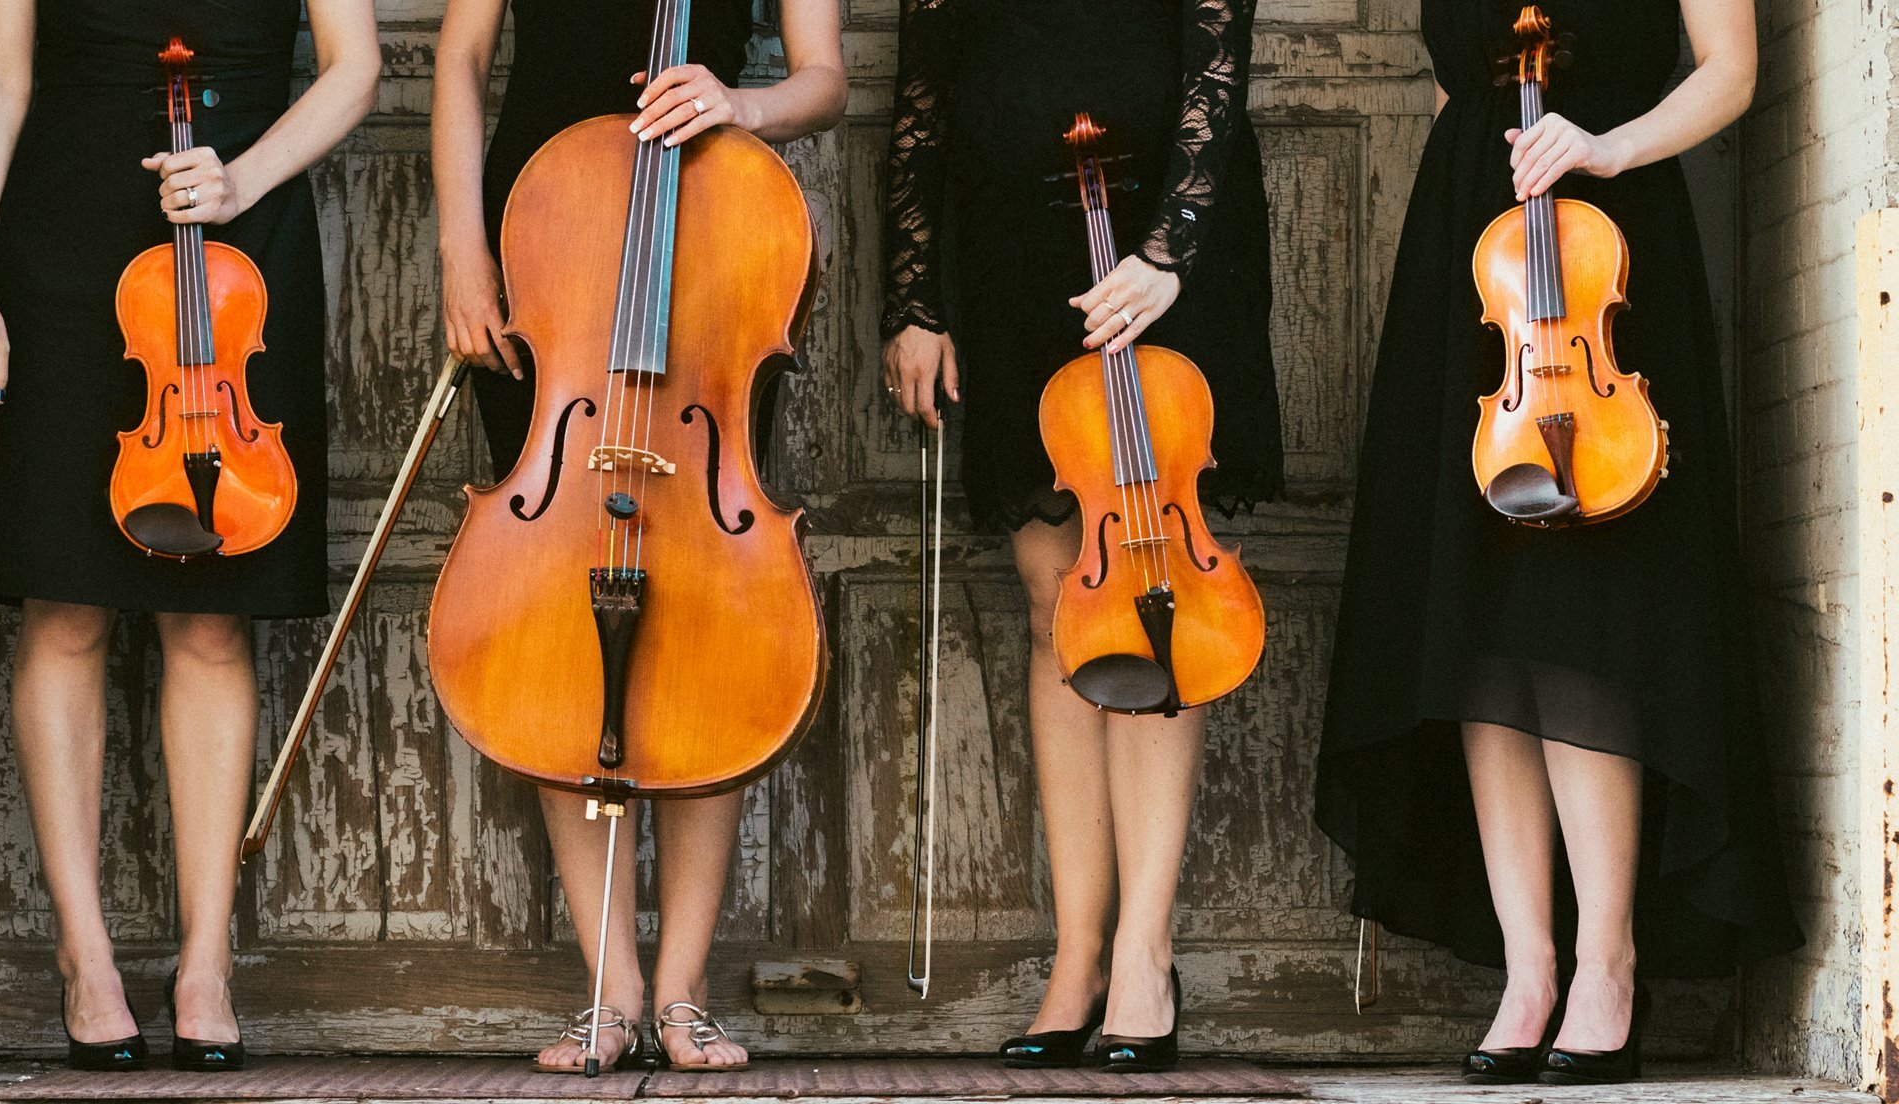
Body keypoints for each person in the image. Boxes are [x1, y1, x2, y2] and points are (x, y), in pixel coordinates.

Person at [1313, 0, 1802, 1086]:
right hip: (1479, 259)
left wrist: (1608, 148)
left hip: (1604, 251)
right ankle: (1528, 968)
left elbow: (1729, 72)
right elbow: (1453, 90)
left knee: (1586, 612)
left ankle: (1606, 964)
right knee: (1477, 619)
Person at [0, 0, 377, 1072]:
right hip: (61, 241)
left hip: (236, 249)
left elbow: (353, 67)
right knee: (65, 608)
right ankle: (85, 958)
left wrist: (244, 180)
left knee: (211, 621)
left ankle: (205, 964)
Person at [430, 0, 844, 1072]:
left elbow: (823, 77)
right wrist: (463, 251)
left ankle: (682, 991)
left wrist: (739, 103)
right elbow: (462, 58)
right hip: (548, 241)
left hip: (712, 244)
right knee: (554, 623)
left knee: (711, 629)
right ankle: (609, 990)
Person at [882, 0, 1281, 1074]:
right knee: (1053, 594)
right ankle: (1077, 958)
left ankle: (1144, 955)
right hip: (1013, 247)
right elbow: (922, 100)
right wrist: (911, 300)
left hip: (1162, 250)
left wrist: (1168, 251)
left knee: (1156, 591)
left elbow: (1215, 70)